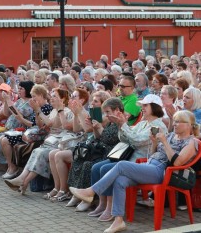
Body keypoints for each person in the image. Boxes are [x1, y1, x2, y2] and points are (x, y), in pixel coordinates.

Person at [69, 110, 199, 233]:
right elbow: (154, 154)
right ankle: (118, 220)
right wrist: (154, 143)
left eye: (178, 122)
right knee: (120, 181)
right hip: (150, 165)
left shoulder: (192, 142)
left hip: (162, 172)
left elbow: (177, 162)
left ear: (189, 125)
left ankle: (91, 191)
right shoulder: (171, 136)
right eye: (174, 121)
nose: (174, 124)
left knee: (121, 165)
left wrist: (164, 142)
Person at [89, 94, 168, 221]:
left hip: (140, 161)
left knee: (104, 168)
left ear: (155, 107)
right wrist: (121, 125)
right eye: (142, 105)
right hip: (131, 158)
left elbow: (136, 140)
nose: (142, 107)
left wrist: (123, 124)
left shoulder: (158, 126)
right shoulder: (143, 123)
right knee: (97, 167)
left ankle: (108, 207)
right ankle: (103, 204)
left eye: (145, 105)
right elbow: (125, 139)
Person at [4, 88, 74, 194]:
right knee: (36, 151)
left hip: (59, 143)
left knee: (40, 153)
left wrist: (39, 111)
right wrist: (37, 112)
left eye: (55, 96)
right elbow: (41, 125)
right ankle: (22, 180)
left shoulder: (66, 111)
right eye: (52, 95)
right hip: (51, 141)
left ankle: (23, 181)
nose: (51, 98)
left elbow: (51, 124)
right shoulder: (54, 110)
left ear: (63, 99)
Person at [44, 88, 90, 202]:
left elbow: (83, 131)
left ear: (82, 100)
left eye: (75, 97)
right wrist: (75, 114)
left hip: (81, 146)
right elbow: (75, 129)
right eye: (72, 96)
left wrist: (67, 111)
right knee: (52, 154)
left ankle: (64, 190)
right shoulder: (77, 112)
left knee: (58, 155)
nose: (71, 99)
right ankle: (57, 187)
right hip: (73, 143)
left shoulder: (84, 113)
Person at [0, 84, 52, 179]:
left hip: (36, 134)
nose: (33, 99)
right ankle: (11, 167)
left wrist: (22, 118)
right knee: (2, 138)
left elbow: (38, 126)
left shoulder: (46, 107)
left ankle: (13, 168)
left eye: (34, 96)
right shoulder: (37, 106)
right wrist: (21, 117)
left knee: (4, 140)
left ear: (40, 95)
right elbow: (32, 123)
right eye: (32, 96)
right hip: (30, 131)